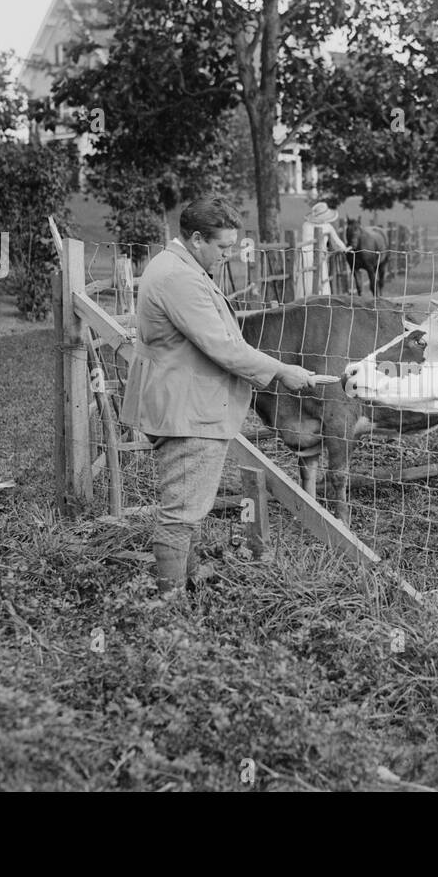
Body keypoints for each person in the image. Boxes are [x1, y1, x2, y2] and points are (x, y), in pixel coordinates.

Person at [120, 196, 318, 595]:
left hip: (184, 402)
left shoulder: (177, 265)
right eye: (223, 247)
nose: (229, 255)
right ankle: (169, 600)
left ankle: (186, 580)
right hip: (187, 409)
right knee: (181, 510)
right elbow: (224, 347)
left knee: (188, 503)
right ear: (196, 239)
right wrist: (281, 370)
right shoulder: (179, 279)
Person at [296, 200, 349, 298]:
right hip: (318, 255)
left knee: (305, 279)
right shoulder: (327, 226)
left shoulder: (305, 225)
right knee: (321, 277)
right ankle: (321, 299)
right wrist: (345, 249)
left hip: (304, 254)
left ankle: (303, 299)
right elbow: (337, 242)